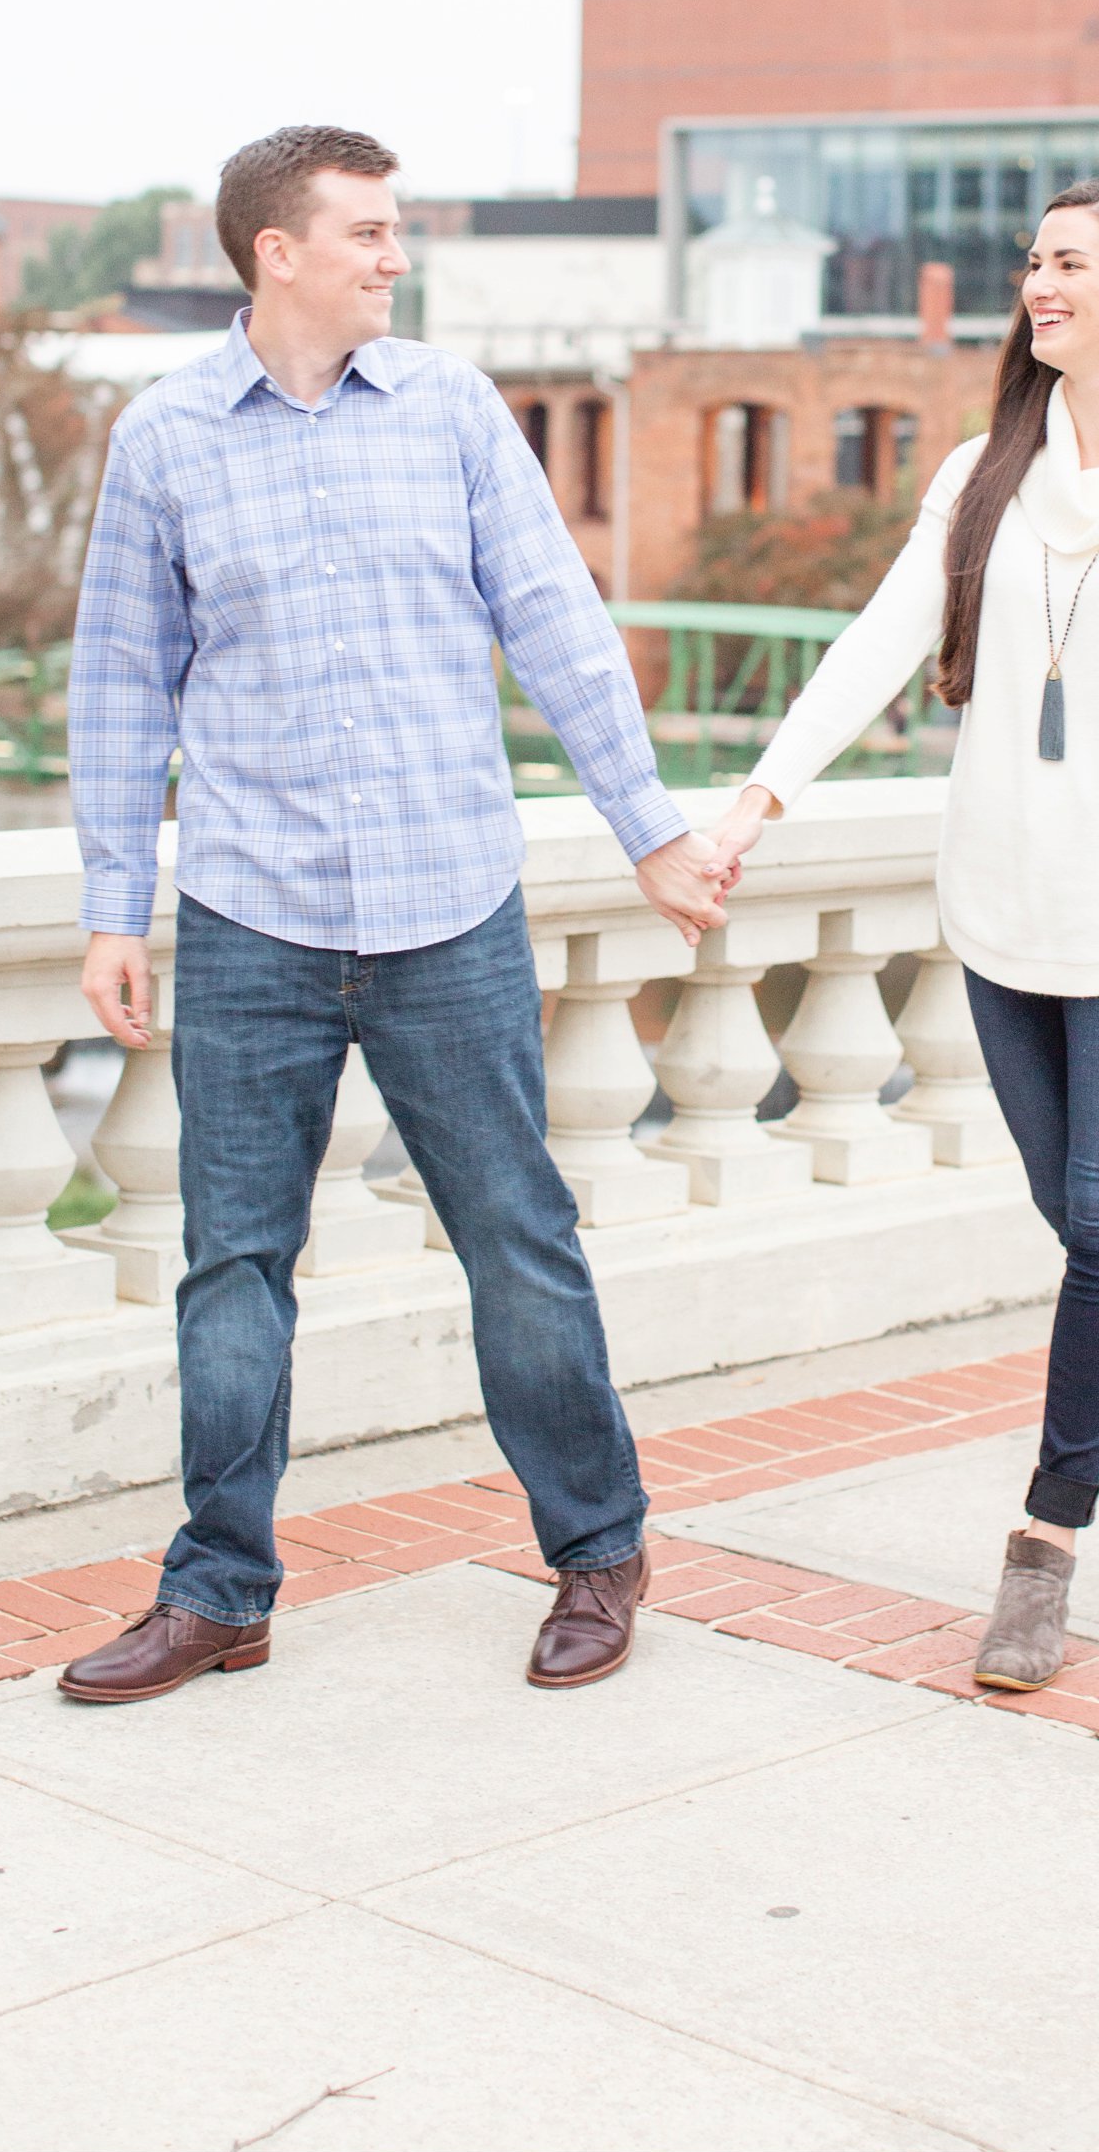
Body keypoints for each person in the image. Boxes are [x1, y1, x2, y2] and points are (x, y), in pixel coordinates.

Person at [58, 125, 729, 1705]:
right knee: (234, 1264)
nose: (393, 255)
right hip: (249, 916)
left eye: (396, 229)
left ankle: (599, 1549)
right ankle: (219, 1591)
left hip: (448, 910)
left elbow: (554, 618)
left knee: (517, 1238)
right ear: (274, 251)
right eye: (365, 231)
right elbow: (117, 684)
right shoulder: (163, 439)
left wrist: (649, 829)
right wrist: (111, 906)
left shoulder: (449, 412)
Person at [704, 178, 1099, 1690]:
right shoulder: (986, 469)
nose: (1037, 284)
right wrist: (762, 792)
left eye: (1067, 263)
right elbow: (880, 641)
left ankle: (1044, 1546)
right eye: (1030, 262)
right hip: (1003, 902)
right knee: (1083, 1213)